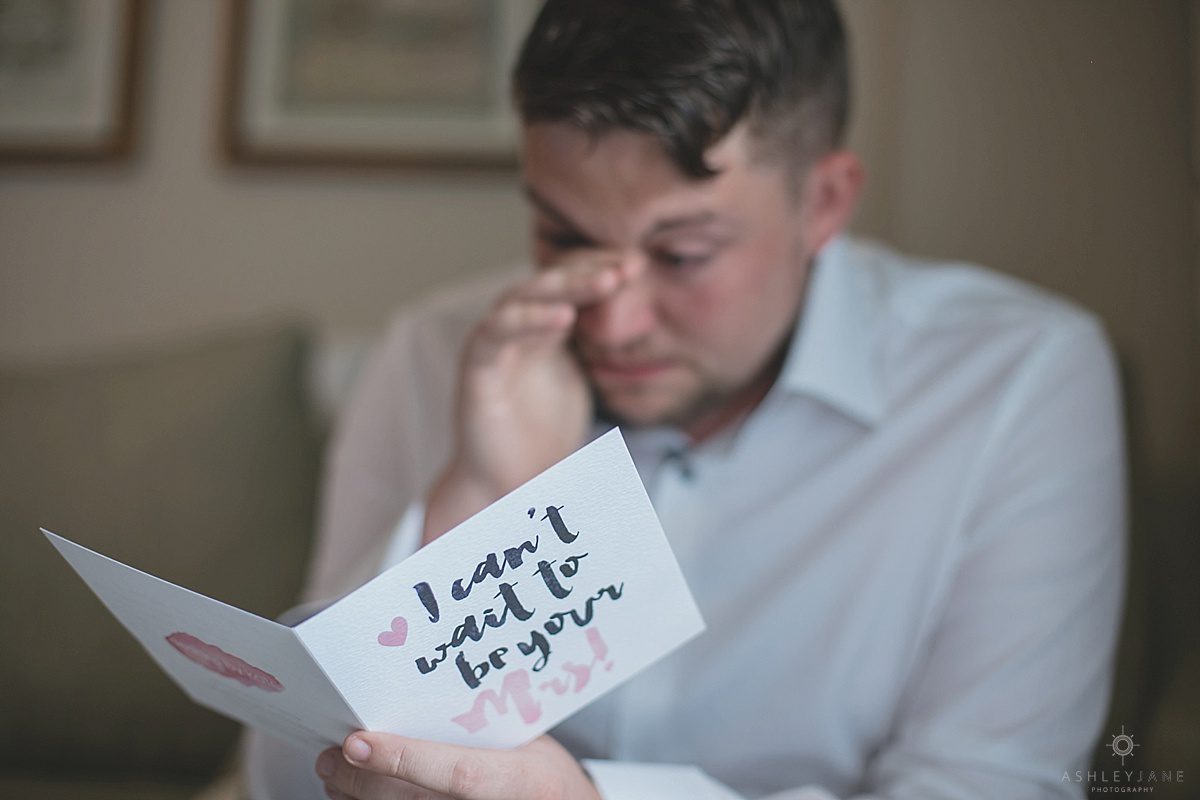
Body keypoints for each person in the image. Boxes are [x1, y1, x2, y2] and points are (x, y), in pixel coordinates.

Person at [244, 1, 1127, 798]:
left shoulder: (1016, 382)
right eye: (563, 235)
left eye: (684, 253)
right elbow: (286, 776)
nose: (615, 321)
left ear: (824, 202)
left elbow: (987, 786)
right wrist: (478, 501)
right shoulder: (434, 355)